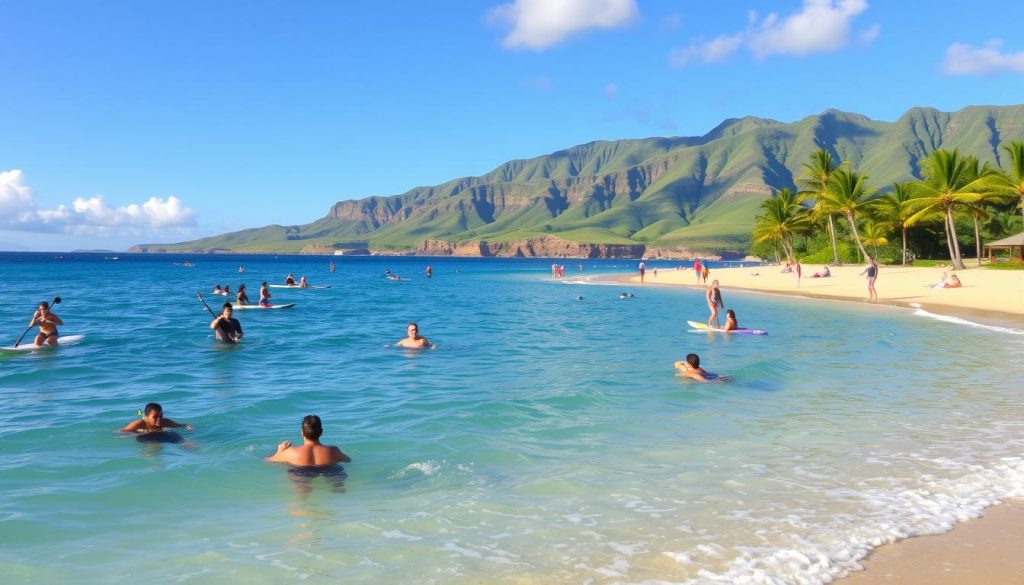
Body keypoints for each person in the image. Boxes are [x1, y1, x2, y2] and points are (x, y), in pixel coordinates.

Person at [265, 415, 351, 467]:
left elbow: (268, 460)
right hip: (328, 468)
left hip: (302, 471)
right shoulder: (334, 451)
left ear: (302, 433)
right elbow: (348, 460)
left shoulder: (291, 452)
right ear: (321, 432)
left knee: (302, 492)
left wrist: (279, 451)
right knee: (338, 484)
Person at [120, 402, 192, 433]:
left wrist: (186, 426)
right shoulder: (139, 424)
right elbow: (120, 432)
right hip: (144, 437)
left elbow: (180, 425)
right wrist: (138, 432)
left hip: (159, 434)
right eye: (155, 417)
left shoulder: (164, 421)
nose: (159, 419)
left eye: (161, 416)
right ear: (146, 417)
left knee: (175, 436)